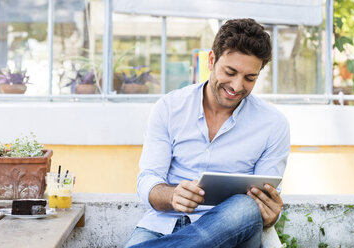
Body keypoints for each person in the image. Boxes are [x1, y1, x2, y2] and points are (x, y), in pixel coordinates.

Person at [124, 18, 290, 248]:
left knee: (245, 207)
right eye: (230, 72)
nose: (237, 86)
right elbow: (148, 181)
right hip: (163, 226)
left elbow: (265, 201)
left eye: (250, 78)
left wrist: (270, 213)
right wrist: (172, 195)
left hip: (232, 231)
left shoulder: (273, 124)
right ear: (211, 60)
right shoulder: (170, 107)